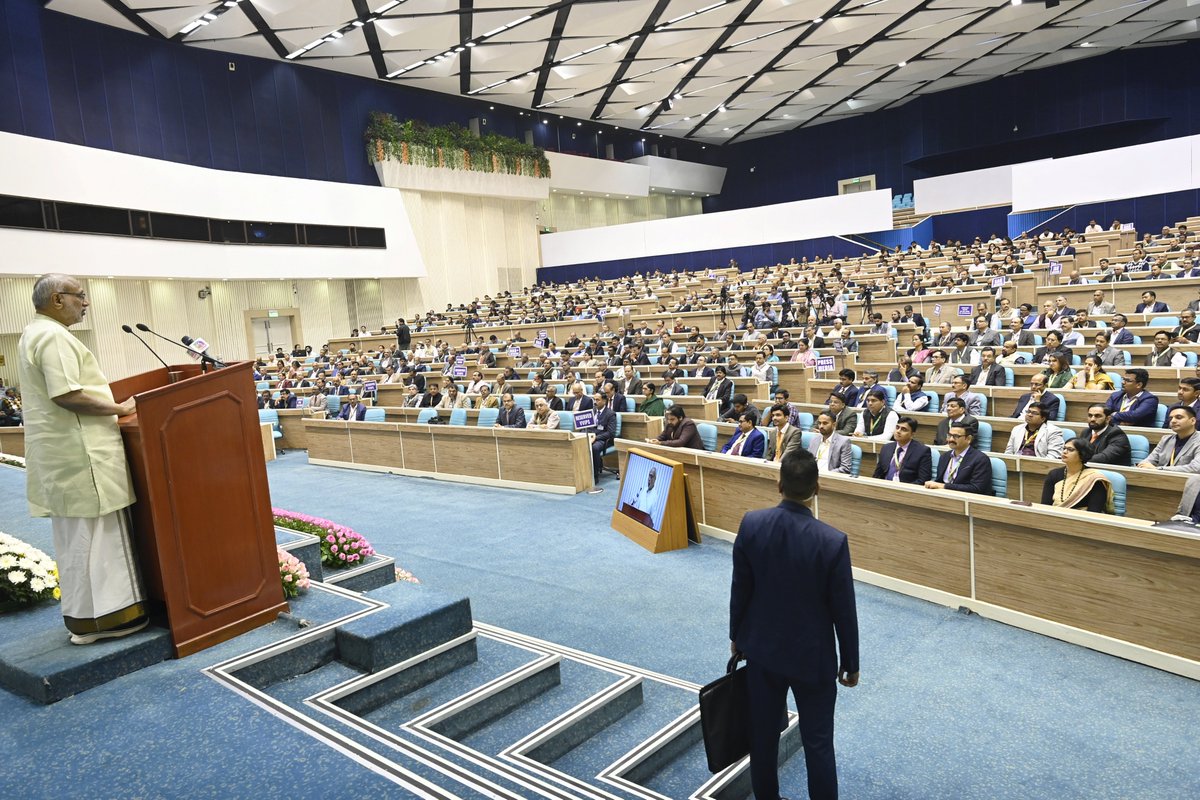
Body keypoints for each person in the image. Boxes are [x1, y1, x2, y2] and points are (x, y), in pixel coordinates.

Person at [17, 274, 148, 644]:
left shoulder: (34, 332)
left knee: (77, 540)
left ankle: (84, 621)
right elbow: (68, 394)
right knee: (100, 538)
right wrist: (120, 407)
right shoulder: (54, 336)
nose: (86, 303)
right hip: (83, 456)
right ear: (58, 299)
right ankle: (112, 619)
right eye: (80, 296)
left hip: (65, 457)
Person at [730, 449, 859, 800]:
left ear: (778, 484)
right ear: (817, 489)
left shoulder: (751, 523)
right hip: (812, 657)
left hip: (762, 651)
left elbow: (741, 587)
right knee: (818, 743)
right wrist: (850, 662)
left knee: (763, 738)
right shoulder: (832, 541)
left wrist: (737, 636)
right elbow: (843, 610)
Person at [1041, 438, 1115, 513]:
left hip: (1083, 520)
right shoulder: (1053, 474)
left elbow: (1094, 512)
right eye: (1064, 448)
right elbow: (1045, 506)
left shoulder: (1094, 479)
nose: (1064, 452)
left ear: (1082, 454)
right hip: (1054, 517)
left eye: (1070, 449)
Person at [925, 422, 994, 494]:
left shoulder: (980, 459)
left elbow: (977, 488)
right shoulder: (944, 456)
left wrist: (945, 486)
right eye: (949, 435)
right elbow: (939, 482)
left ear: (968, 439)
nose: (951, 439)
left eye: (956, 436)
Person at [1137, 406, 1200, 471]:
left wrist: (1158, 469)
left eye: (1178, 417)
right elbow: (1148, 461)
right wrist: (1143, 465)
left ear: (1193, 421)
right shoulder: (1165, 440)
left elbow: (1196, 468)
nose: (1173, 421)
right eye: (1170, 418)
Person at [587, 392, 617, 491]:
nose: (595, 402)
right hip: (589, 436)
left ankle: (594, 476)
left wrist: (596, 438)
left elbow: (610, 433)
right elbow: (586, 426)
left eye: (597, 400)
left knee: (594, 448)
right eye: (594, 399)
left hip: (602, 439)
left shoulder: (610, 414)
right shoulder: (591, 411)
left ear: (604, 401)